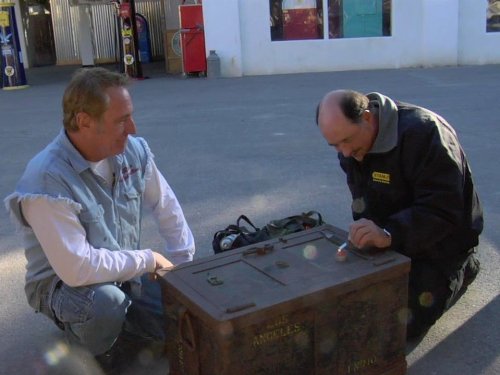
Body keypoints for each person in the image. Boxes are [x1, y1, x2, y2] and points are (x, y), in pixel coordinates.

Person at [4, 68, 195, 371]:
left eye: (130, 116)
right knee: (105, 305)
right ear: (84, 121)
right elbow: (77, 269)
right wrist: (149, 259)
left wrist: (184, 270)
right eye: (121, 120)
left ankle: (126, 322)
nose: (132, 128)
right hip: (65, 287)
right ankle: (90, 349)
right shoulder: (47, 179)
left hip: (123, 272)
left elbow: (165, 204)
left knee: (184, 313)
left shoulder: (131, 151)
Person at [315, 89, 483, 339]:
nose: (345, 153)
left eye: (346, 141)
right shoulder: (351, 146)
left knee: (396, 324)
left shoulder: (426, 133)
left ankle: (464, 268)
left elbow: (444, 210)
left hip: (441, 245)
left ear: (368, 118)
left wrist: (390, 233)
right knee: (344, 307)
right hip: (393, 239)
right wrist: (369, 234)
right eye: (335, 145)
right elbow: (364, 199)